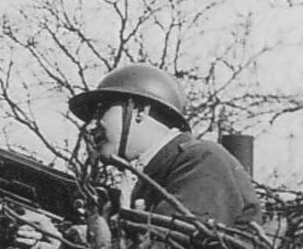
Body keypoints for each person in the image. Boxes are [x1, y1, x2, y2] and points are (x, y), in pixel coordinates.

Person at [68, 63, 263, 229]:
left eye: (100, 111)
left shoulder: (202, 161)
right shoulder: (157, 174)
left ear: (140, 110)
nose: (92, 126)